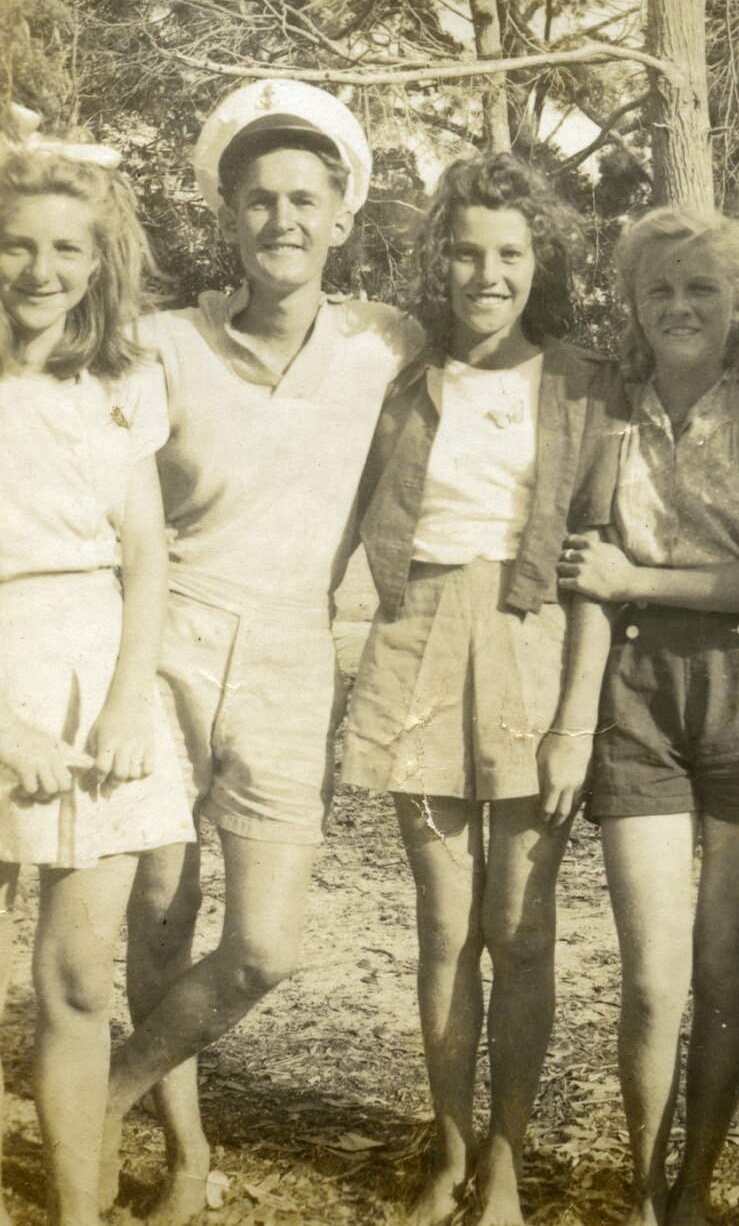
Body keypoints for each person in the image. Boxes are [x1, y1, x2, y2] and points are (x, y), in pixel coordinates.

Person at [100, 80, 424, 1225]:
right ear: (227, 216)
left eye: (304, 199)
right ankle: (183, 1157)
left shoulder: (387, 343)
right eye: (257, 201)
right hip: (167, 638)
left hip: (292, 651)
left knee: (266, 946)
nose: (281, 220)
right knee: (159, 908)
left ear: (344, 217)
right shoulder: (161, 346)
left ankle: (101, 1100)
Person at [341, 152, 618, 1226]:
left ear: (537, 262)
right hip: (418, 645)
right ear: (440, 261)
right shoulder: (402, 384)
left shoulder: (582, 383)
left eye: (508, 254)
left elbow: (595, 555)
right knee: (445, 924)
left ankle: (509, 1155)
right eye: (466, 253)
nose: (486, 274)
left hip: (531, 644)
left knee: (523, 924)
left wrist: (574, 717)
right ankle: (450, 1150)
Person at [557, 207, 739, 1226]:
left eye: (701, 287)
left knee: (722, 970)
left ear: (738, 298)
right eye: (658, 289)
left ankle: (699, 1187)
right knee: (653, 978)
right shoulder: (611, 408)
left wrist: (636, 574)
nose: (678, 306)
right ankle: (644, 1189)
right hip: (639, 694)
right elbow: (583, 559)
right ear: (631, 302)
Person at [0, 120, 195, 1226]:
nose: (43, 273)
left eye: (67, 252)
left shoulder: (120, 381)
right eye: (19, 246)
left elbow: (146, 553)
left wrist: (126, 704)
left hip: (92, 685)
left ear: (99, 261)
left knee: (77, 983)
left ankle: (78, 1214)